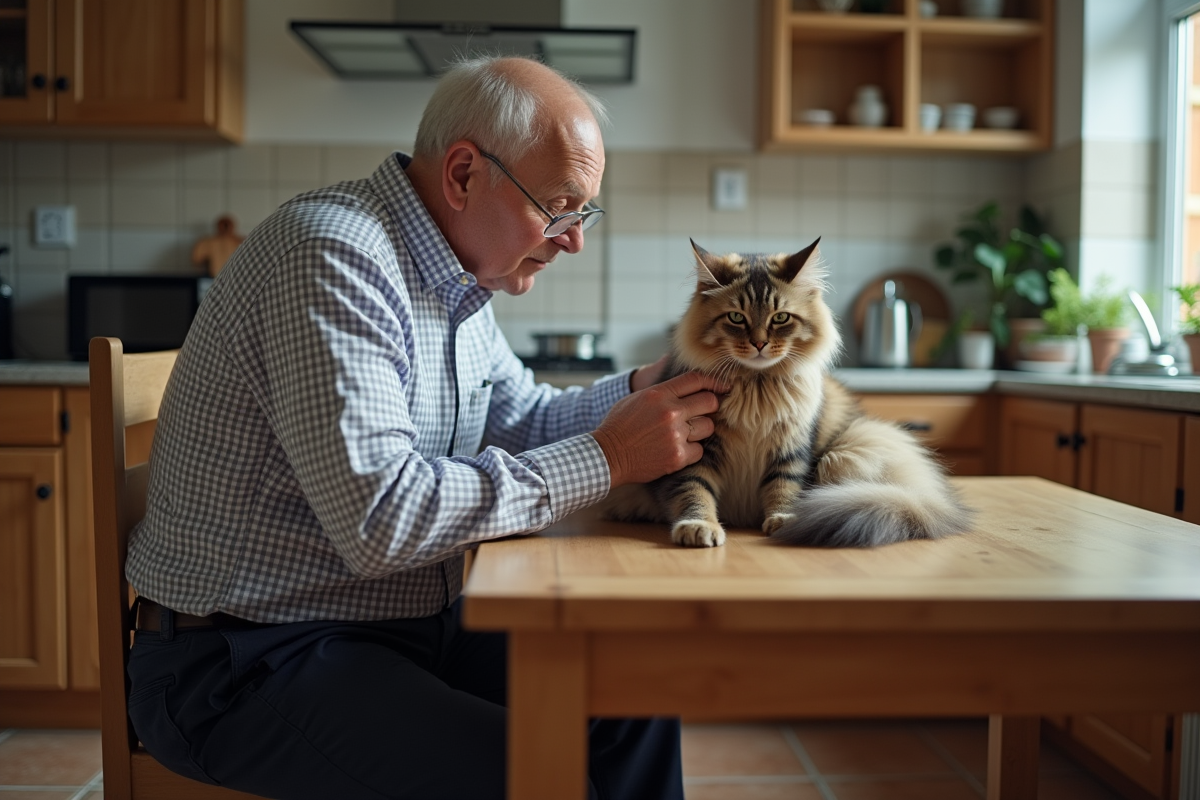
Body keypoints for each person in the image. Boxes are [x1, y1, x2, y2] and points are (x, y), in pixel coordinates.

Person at [122, 55, 723, 800]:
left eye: (584, 212)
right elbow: (383, 519)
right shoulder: (333, 254)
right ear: (465, 175)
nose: (573, 240)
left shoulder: (456, 283)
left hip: (394, 634)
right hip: (243, 659)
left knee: (630, 696)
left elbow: (521, 420)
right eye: (560, 206)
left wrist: (648, 389)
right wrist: (608, 456)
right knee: (540, 780)